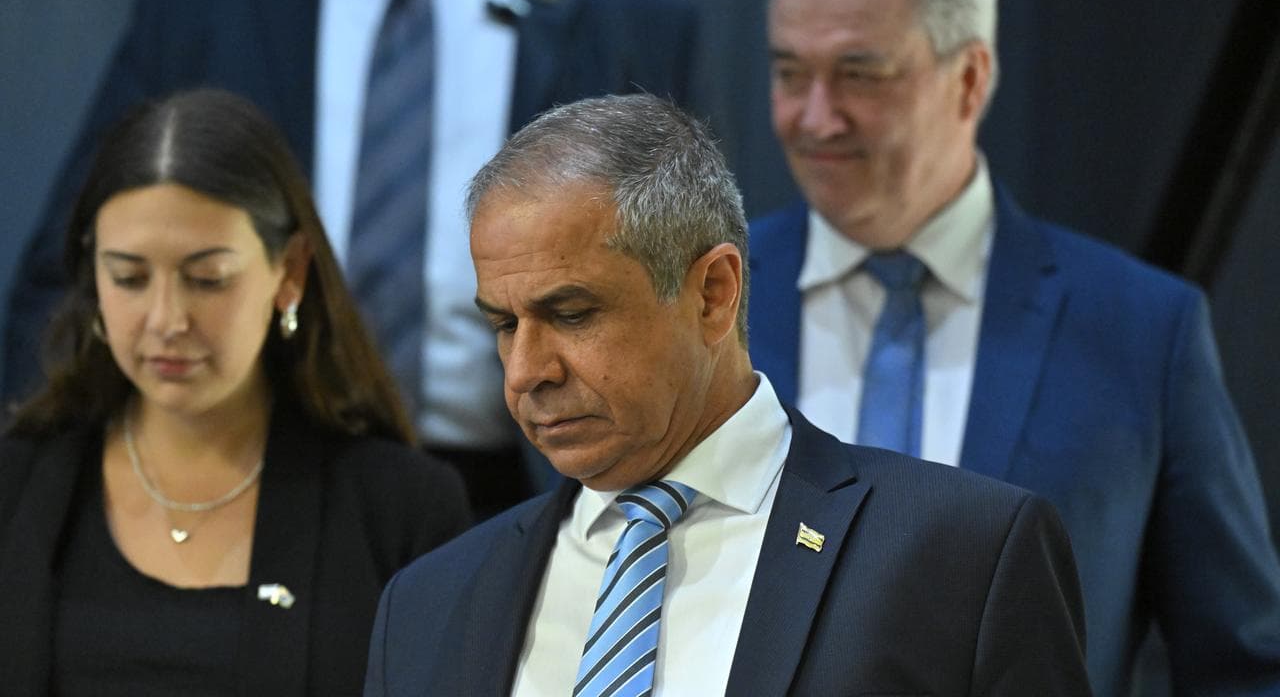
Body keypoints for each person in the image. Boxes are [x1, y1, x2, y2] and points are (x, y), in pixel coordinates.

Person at [362, 93, 1091, 696]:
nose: (525, 372)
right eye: (503, 324)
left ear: (714, 293)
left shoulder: (964, 556)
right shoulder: (427, 605)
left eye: (572, 314)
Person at [748, 0, 1280, 694]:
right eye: (789, 73)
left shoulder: (1143, 331)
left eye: (858, 74)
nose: (815, 118)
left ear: (969, 79)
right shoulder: (703, 306)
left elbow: (1242, 666)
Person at [2, 0, 700, 516]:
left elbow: (678, 301)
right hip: (256, 483)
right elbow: (72, 272)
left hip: (526, 495)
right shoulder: (209, 0)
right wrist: (52, 495)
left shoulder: (623, 24)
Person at [0, 89, 471, 697]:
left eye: (207, 279)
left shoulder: (398, 510)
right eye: (129, 278)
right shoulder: (17, 486)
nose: (167, 319)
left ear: (290, 271)